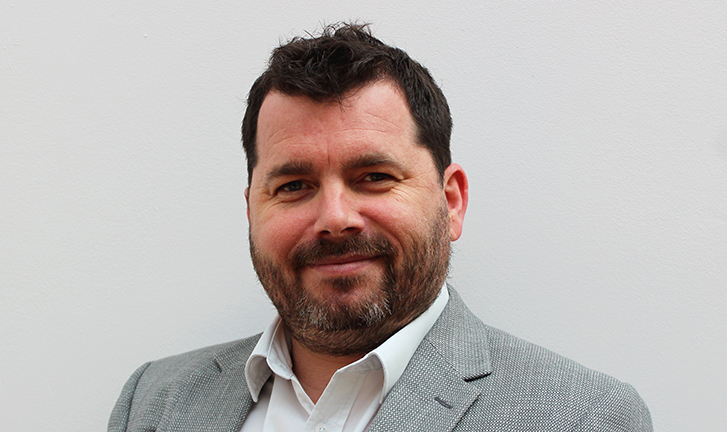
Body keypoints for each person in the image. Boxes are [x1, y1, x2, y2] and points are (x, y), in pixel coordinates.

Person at [108, 23, 652, 432]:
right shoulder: (152, 403)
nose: (335, 218)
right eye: (294, 185)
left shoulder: (585, 417)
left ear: (452, 201)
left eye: (373, 177)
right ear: (252, 209)